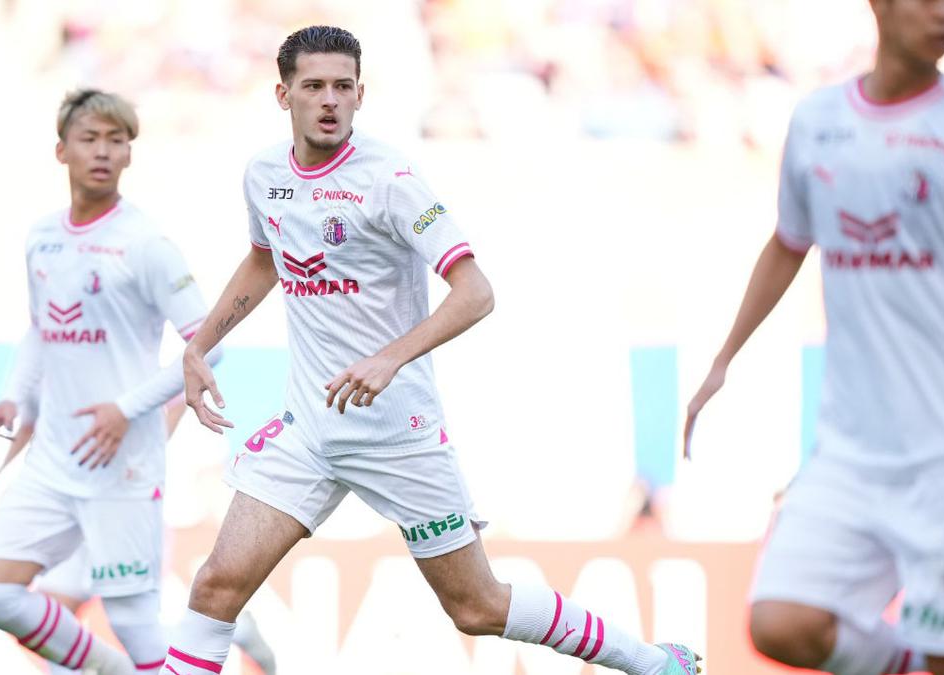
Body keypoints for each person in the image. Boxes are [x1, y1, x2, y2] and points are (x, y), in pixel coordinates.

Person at [161, 25, 701, 675]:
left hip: (398, 432)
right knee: (216, 587)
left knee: (476, 605)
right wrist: (201, 345)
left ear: (360, 93)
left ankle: (650, 662)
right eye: (313, 87)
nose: (329, 100)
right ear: (284, 95)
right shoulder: (266, 175)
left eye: (342, 87)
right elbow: (263, 259)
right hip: (308, 429)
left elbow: (476, 291)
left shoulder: (390, 178)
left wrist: (392, 356)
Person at [683, 2, 944, 674]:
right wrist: (723, 358)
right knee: (780, 621)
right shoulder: (818, 122)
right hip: (850, 450)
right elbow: (789, 241)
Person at [0, 88, 216, 675]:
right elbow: (39, 329)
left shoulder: (147, 244)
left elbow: (209, 346)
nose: (104, 152)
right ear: (62, 151)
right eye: (90, 139)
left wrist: (125, 410)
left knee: (134, 622)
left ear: (130, 154)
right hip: (53, 459)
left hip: (123, 465)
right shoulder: (42, 238)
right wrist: (11, 394)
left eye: (117, 140)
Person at [0, 397, 278, 675]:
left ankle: (236, 632)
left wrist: (133, 472)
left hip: (128, 511)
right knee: (56, 615)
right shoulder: (73, 354)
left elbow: (178, 411)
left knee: (138, 629)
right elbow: (36, 412)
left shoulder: (156, 361)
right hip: (71, 504)